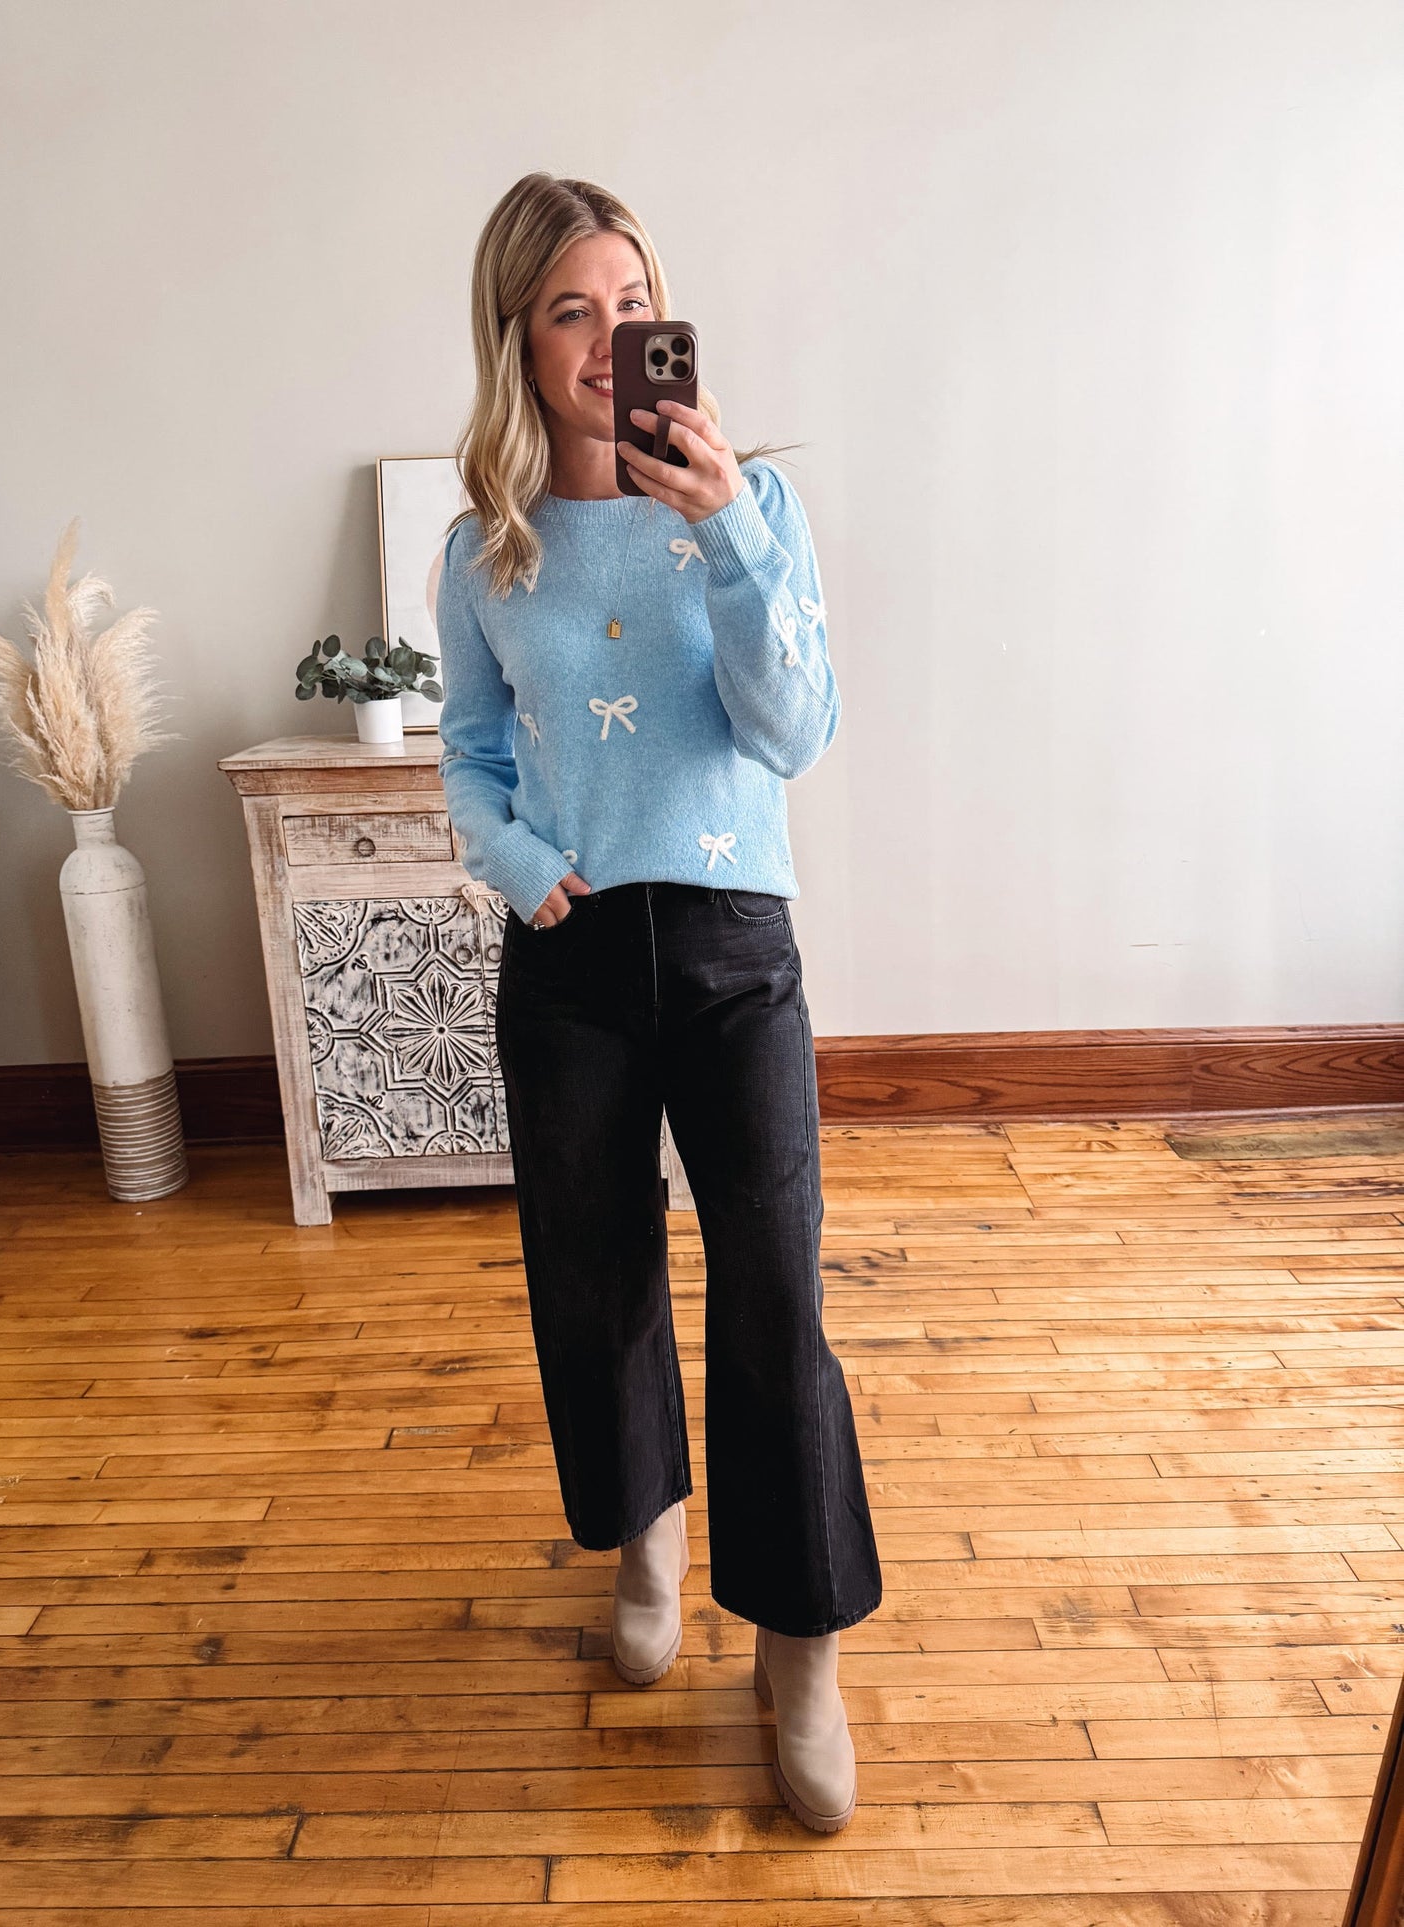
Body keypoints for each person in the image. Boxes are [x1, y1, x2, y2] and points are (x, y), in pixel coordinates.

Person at [434, 170, 882, 1833]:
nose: (611, 338)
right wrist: (515, 856)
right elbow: (472, 758)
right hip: (566, 955)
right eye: (571, 309)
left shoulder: (746, 498)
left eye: (631, 305)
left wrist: (726, 531)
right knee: (594, 1274)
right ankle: (646, 1543)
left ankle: (800, 1644)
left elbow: (793, 731)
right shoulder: (483, 544)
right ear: (519, 339)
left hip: (728, 945)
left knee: (773, 1291)